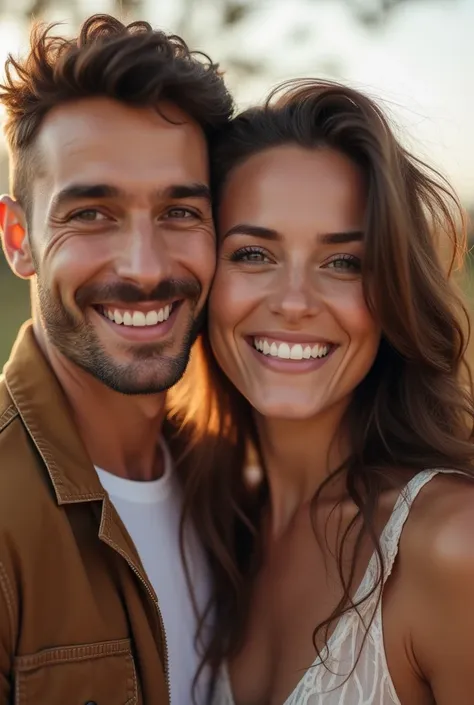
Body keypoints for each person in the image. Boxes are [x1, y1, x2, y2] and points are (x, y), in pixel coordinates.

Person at [170, 79, 474, 704]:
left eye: (343, 263)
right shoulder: (211, 527)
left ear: (391, 294)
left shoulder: (451, 545)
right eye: (253, 253)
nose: (294, 303)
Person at [0, 13, 232, 705]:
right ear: (19, 238)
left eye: (180, 212)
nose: (144, 267)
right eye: (92, 213)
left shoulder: (237, 485)